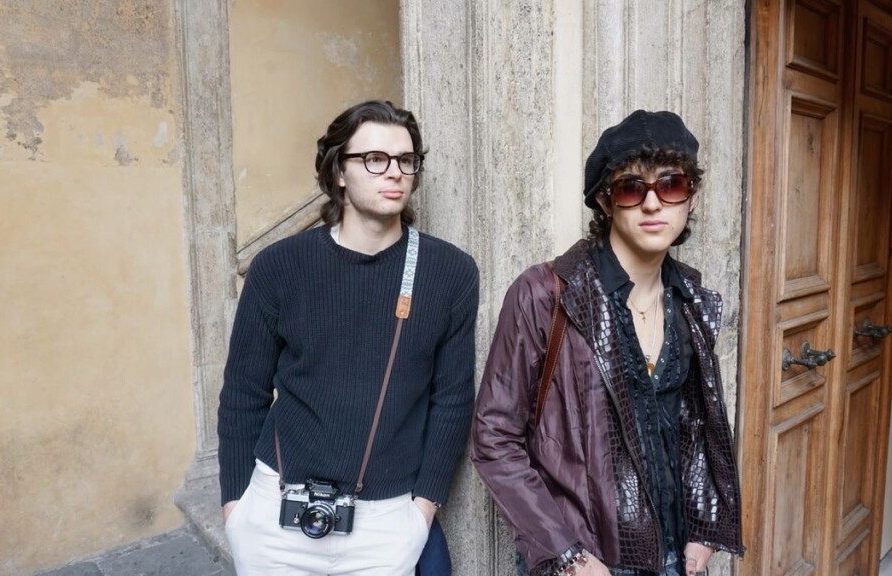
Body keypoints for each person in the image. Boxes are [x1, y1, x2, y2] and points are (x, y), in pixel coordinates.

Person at [471, 110, 744, 576]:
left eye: (671, 185)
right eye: (632, 188)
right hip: (584, 558)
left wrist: (703, 528)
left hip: (675, 556)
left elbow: (695, 424)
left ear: (690, 198)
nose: (653, 204)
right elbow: (494, 437)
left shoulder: (693, 299)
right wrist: (568, 555)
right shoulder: (547, 293)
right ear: (605, 201)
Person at [219, 100, 478, 575]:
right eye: (374, 159)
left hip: (385, 524)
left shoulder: (450, 272)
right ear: (339, 170)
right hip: (274, 514)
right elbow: (243, 393)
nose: (394, 172)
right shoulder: (278, 267)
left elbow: (453, 401)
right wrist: (235, 509)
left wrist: (421, 513)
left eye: (406, 160)